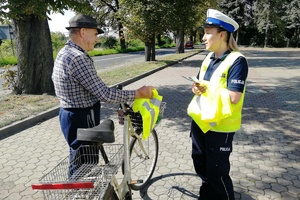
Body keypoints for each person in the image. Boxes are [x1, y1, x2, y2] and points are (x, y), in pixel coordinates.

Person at [51, 14, 155, 176]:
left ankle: (77, 189)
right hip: (83, 116)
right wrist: (138, 93)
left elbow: (90, 88)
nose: (97, 39)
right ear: (83, 32)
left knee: (78, 157)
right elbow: (104, 94)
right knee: (86, 163)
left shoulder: (65, 52)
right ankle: (78, 192)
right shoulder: (78, 58)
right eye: (95, 34)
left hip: (69, 114)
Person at [188, 9, 249, 200]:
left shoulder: (237, 61)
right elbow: (199, 84)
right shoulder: (208, 57)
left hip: (220, 127)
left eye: (208, 33)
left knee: (218, 172)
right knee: (200, 164)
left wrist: (206, 89)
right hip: (200, 122)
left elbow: (234, 97)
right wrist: (196, 88)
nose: (204, 38)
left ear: (222, 35)